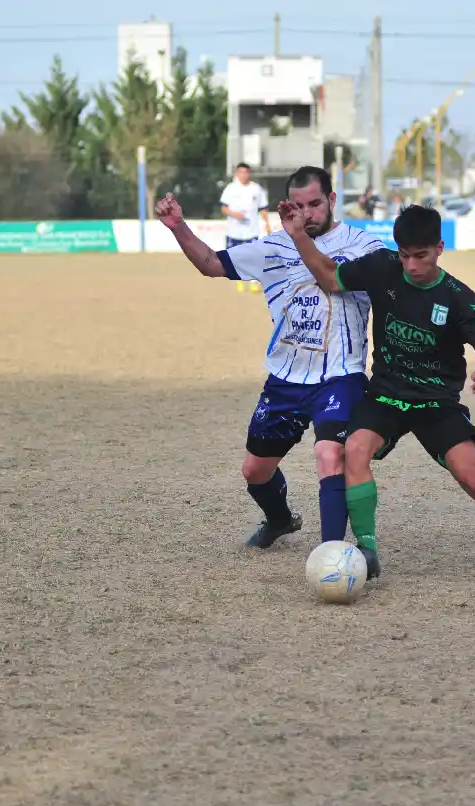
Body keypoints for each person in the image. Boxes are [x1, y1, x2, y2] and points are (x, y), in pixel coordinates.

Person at [278, 201, 475, 590]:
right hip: (387, 395)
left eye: (421, 256)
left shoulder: (457, 295)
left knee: (471, 475)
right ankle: (368, 550)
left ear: (439, 248)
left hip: (436, 403)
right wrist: (297, 234)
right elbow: (330, 276)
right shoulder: (383, 267)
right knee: (354, 449)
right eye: (406, 255)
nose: (411, 265)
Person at [155, 165, 384, 549]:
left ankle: (331, 554)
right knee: (255, 471)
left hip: (340, 375)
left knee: (331, 455)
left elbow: (336, 278)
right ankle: (278, 520)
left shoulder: (365, 247)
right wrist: (178, 226)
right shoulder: (273, 248)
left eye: (314, 204)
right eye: (297, 206)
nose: (306, 213)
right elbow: (212, 264)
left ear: (331, 200)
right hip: (286, 379)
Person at [219, 163, 270, 294]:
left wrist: (267, 223)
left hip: (251, 230)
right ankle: (239, 280)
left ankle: (253, 283)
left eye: (246, 172)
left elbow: (263, 208)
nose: (243, 175)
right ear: (236, 173)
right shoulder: (231, 188)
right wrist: (235, 214)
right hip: (234, 231)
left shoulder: (256, 189)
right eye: (241, 172)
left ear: (249, 173)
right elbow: (223, 207)